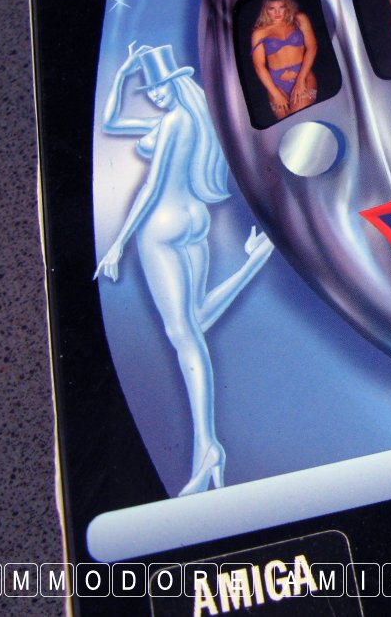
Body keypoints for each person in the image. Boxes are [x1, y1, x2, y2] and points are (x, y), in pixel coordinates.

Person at [95, 43, 275, 495]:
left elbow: (152, 188)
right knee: (193, 325)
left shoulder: (173, 122)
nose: (155, 94)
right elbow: (112, 123)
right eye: (150, 89)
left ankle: (207, 443)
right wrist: (125, 76)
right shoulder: (194, 118)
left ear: (176, 83)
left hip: (161, 227)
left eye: (159, 86)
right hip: (195, 221)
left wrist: (118, 243)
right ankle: (252, 264)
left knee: (183, 336)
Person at [251, 0, 318, 120]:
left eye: (281, 7)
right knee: (288, 125)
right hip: (276, 84)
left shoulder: (299, 19)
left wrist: (300, 80)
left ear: (288, 7)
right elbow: (259, 66)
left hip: (303, 75)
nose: (277, 13)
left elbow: (312, 47)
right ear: (266, 10)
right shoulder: (259, 33)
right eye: (272, 9)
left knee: (300, 120)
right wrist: (275, 94)